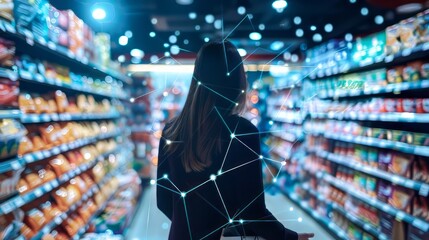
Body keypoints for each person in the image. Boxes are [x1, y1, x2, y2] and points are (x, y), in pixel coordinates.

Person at [157, 41, 314, 240]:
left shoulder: (171, 130)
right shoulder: (243, 132)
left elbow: (163, 201)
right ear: (236, 82)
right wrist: (288, 237)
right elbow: (253, 211)